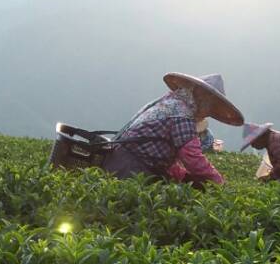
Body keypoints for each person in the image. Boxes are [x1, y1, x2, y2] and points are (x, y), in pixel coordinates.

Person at [103, 72, 243, 184]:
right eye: (210, 106)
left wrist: (183, 176)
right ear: (201, 97)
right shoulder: (182, 115)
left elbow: (161, 151)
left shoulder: (169, 103)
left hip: (119, 160)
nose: (208, 112)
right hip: (130, 168)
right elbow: (192, 157)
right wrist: (219, 183)